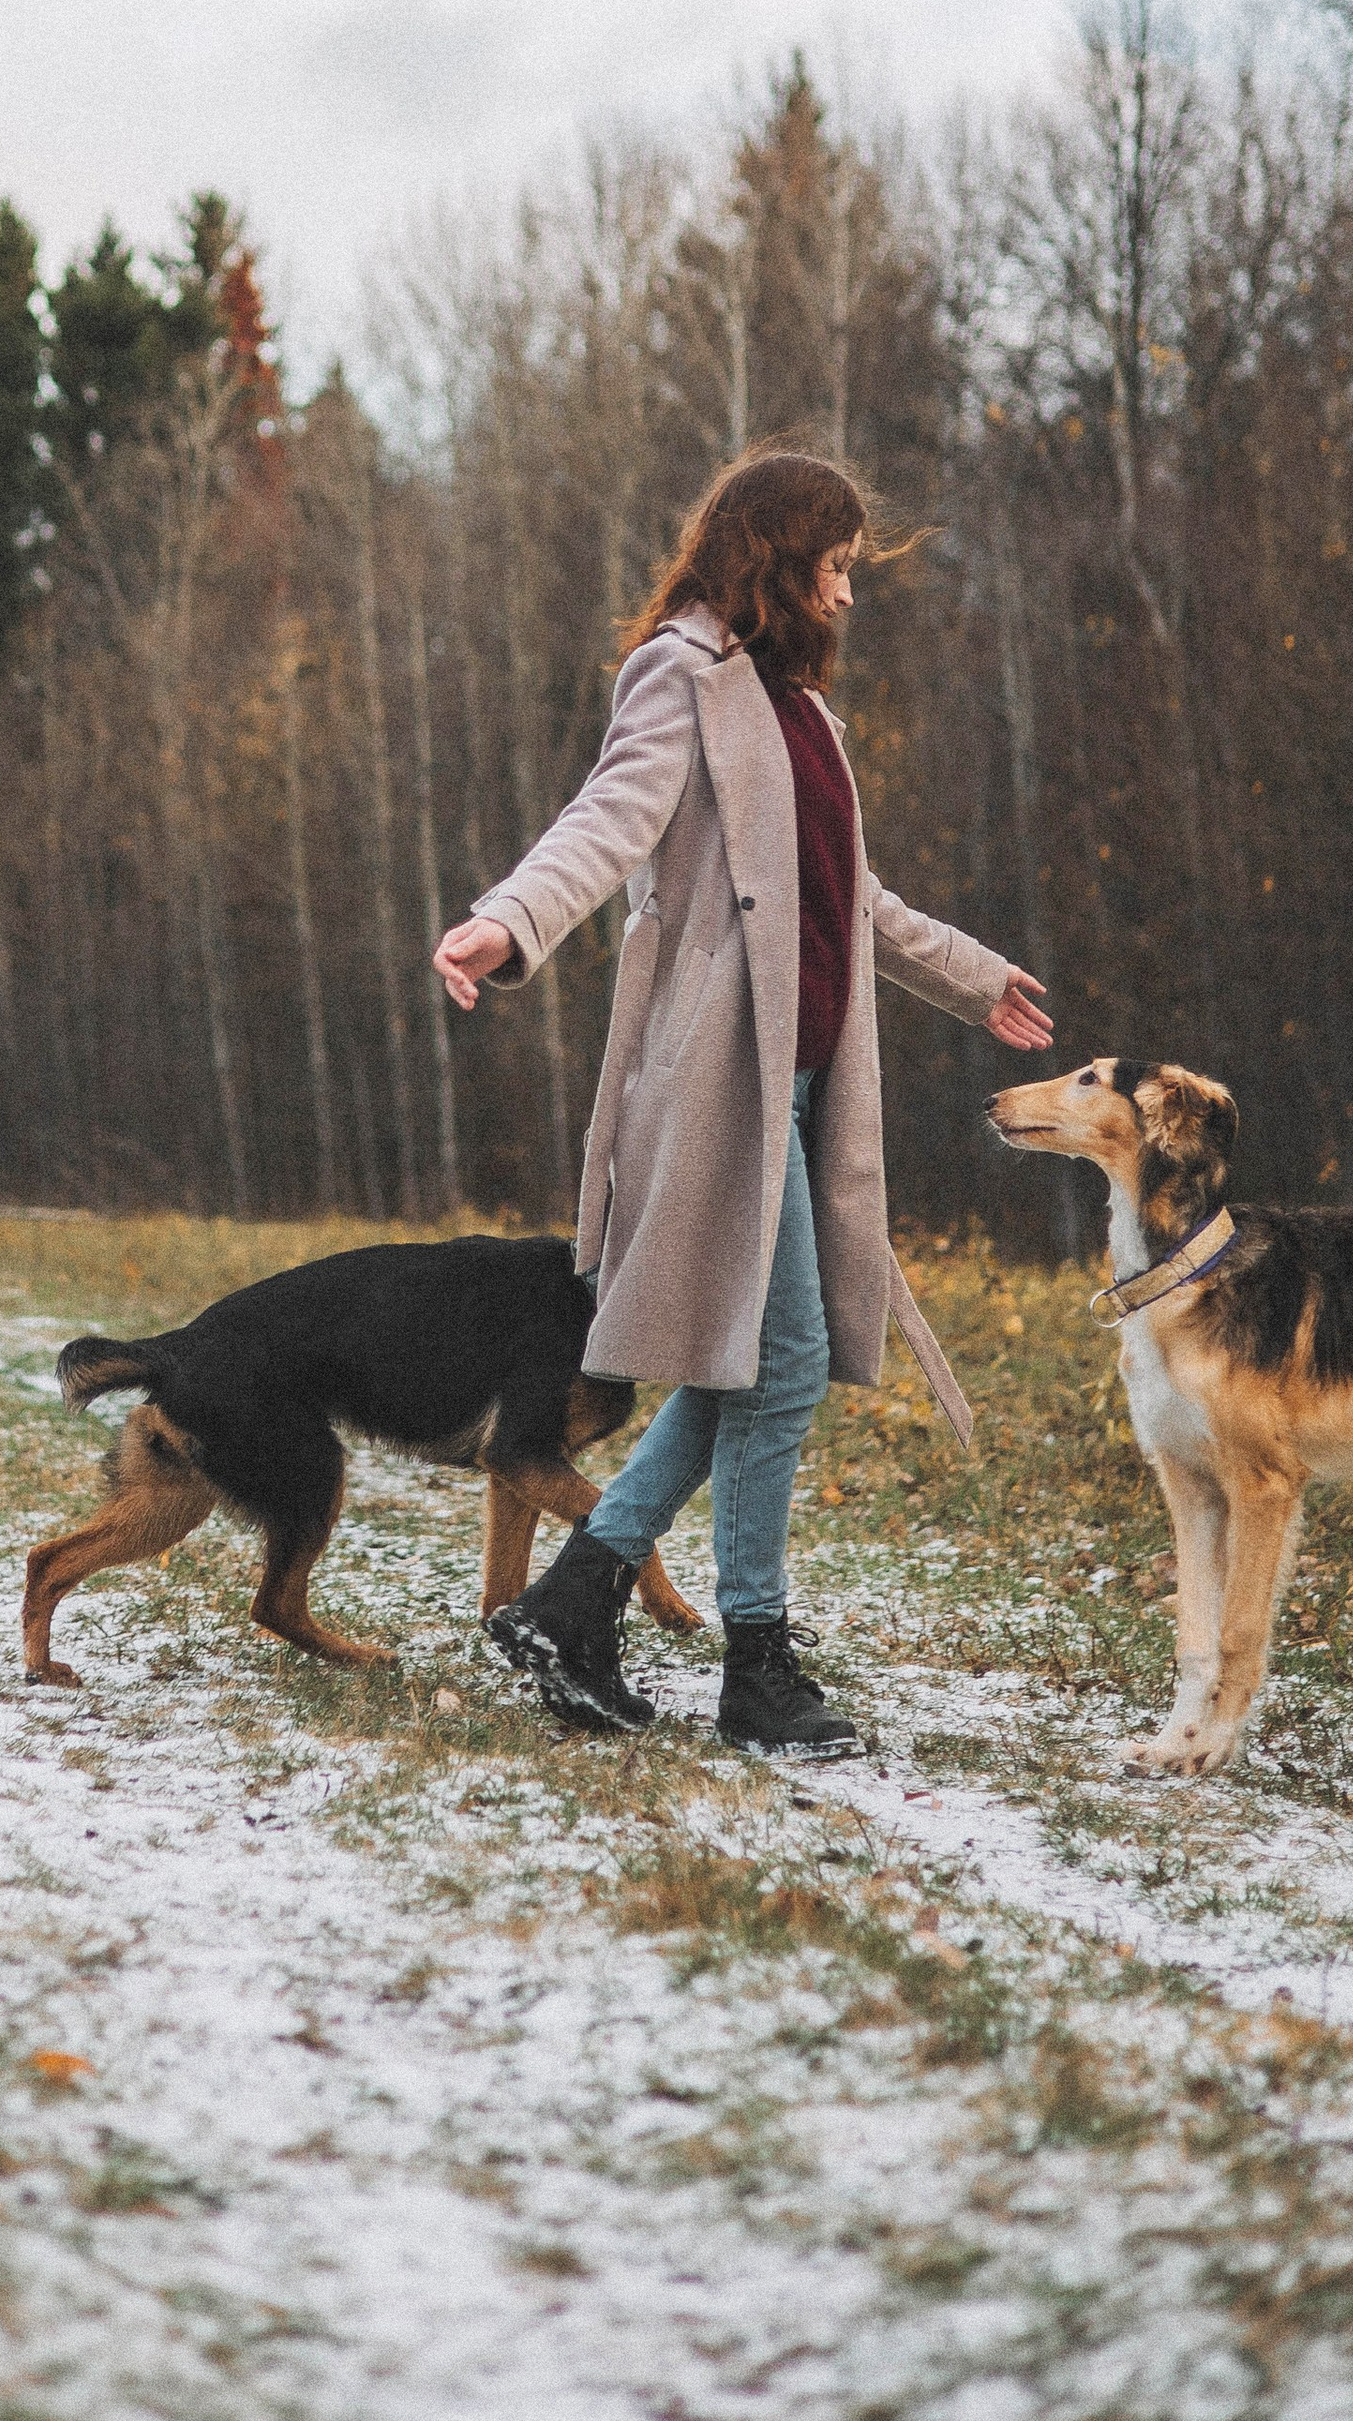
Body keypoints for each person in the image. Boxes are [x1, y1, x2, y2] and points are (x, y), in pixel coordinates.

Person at [433, 448, 1051, 1754]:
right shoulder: (683, 673)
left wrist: (976, 978)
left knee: (756, 1369)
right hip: (726, 1084)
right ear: (777, 559)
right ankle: (753, 1663)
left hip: (813, 1086)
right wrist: (507, 921)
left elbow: (858, 903)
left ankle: (576, 1601)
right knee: (789, 1364)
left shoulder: (804, 721)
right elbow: (608, 818)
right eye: (836, 567)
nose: (848, 594)